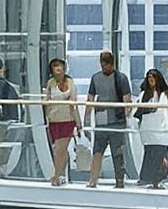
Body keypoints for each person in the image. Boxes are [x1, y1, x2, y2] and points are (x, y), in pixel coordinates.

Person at [84, 50, 132, 189]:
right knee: (97, 150)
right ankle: (93, 179)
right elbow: (90, 98)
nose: (104, 67)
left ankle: (119, 180)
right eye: (103, 64)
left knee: (117, 152)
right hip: (101, 121)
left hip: (116, 122)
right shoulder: (95, 78)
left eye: (107, 65)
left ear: (112, 64)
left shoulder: (121, 78)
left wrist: (126, 114)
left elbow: (127, 99)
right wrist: (87, 119)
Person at [135, 68, 168, 187]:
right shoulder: (143, 94)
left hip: (161, 129)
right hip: (148, 129)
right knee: (149, 154)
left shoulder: (165, 94)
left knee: (161, 155)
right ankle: (146, 177)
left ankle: (158, 179)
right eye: (149, 79)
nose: (151, 81)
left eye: (153, 79)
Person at [41, 57, 79, 185]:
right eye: (55, 66)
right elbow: (47, 100)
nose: (58, 68)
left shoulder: (70, 82)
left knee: (60, 149)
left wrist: (78, 123)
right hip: (54, 120)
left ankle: (56, 175)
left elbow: (74, 103)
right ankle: (62, 174)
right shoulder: (50, 83)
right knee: (60, 149)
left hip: (67, 119)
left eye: (60, 66)